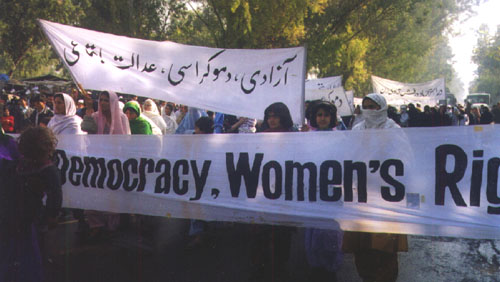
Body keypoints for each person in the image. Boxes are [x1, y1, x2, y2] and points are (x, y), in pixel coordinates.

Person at [345, 93, 407, 282]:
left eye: (373, 107)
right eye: (366, 107)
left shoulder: (393, 130)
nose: (369, 111)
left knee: (384, 247)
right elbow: (348, 156)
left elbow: (405, 160)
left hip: (385, 196)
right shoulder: (357, 130)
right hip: (361, 195)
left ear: (382, 108)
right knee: (362, 245)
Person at [0, 126, 62, 282]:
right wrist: (52, 216)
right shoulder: (48, 169)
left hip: (13, 215)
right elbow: (55, 196)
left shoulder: (17, 164)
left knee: (15, 248)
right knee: (33, 249)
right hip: (31, 216)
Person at [303, 102, 344, 282]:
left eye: (326, 115)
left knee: (331, 230)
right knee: (313, 229)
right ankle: (316, 266)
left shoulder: (341, 137)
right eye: (319, 115)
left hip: (333, 191)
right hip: (313, 191)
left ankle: (331, 267)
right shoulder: (307, 137)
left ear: (332, 117)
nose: (322, 118)